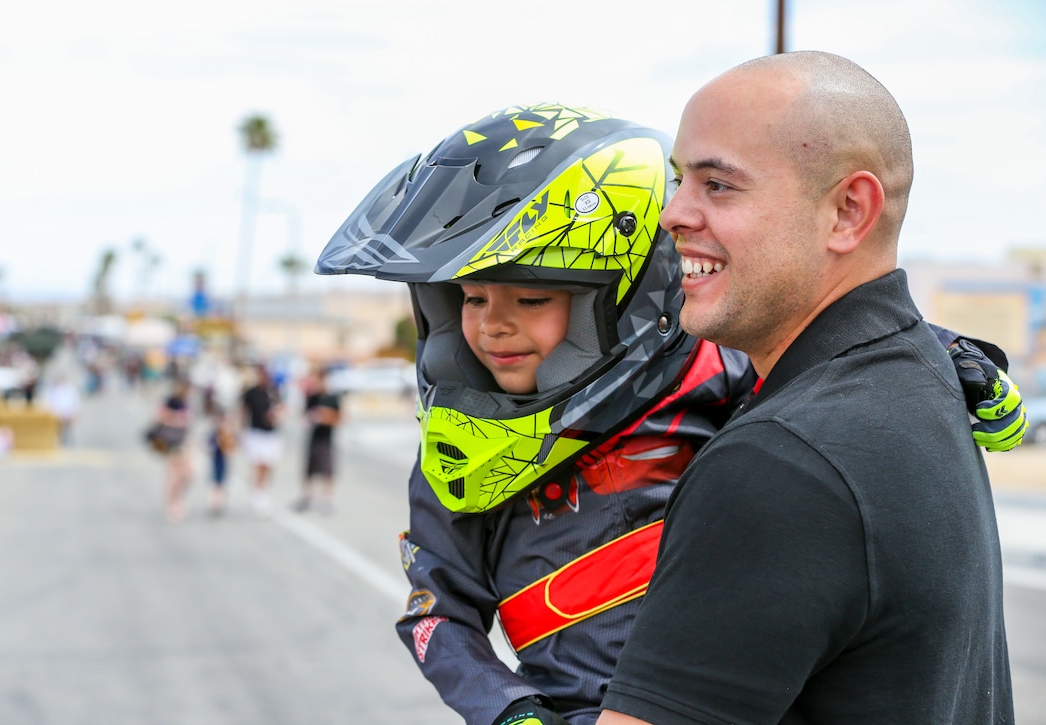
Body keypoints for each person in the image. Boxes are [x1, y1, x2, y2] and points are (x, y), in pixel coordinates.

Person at [315, 103, 1024, 725]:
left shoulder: (702, 369)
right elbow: (435, 612)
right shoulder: (456, 452)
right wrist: (510, 710)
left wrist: (949, 353)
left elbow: (814, 355)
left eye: (530, 300)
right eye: (470, 301)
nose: (491, 325)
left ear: (617, 302)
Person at [597, 51, 1015, 724]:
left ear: (848, 211)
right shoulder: (923, 374)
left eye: (718, 185)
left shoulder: (781, 460)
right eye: (680, 182)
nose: (672, 214)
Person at [292, 367, 341, 514]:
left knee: (327, 471)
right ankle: (306, 497)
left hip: (326, 439)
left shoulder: (333, 398)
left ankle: (326, 500)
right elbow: (304, 417)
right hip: (314, 438)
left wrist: (325, 417)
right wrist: (312, 418)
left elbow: (339, 418)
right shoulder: (312, 398)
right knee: (309, 470)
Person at [239, 363, 283, 512]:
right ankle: (257, 491)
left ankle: (260, 489)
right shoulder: (251, 393)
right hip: (255, 432)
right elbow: (243, 412)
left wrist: (276, 415)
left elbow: (281, 409)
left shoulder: (273, 391)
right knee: (258, 463)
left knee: (268, 464)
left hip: (270, 433)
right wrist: (241, 432)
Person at [156, 380, 192, 523]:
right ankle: (173, 503)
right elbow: (160, 417)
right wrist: (176, 419)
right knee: (174, 474)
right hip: (171, 441)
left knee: (188, 474)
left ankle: (176, 499)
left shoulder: (186, 402)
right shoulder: (170, 402)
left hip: (183, 440)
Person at [206, 406, 236, 516]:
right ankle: (214, 503)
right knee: (215, 483)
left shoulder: (229, 435)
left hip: (224, 463)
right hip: (215, 463)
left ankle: (220, 503)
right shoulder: (214, 435)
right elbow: (208, 447)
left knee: (222, 483)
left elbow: (233, 448)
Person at [43, 373, 81, 446]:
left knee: (68, 437)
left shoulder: (71, 388)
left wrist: (74, 414)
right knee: (57, 437)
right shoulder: (51, 389)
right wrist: (57, 415)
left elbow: (75, 402)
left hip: (69, 416)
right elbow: (48, 404)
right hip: (56, 417)